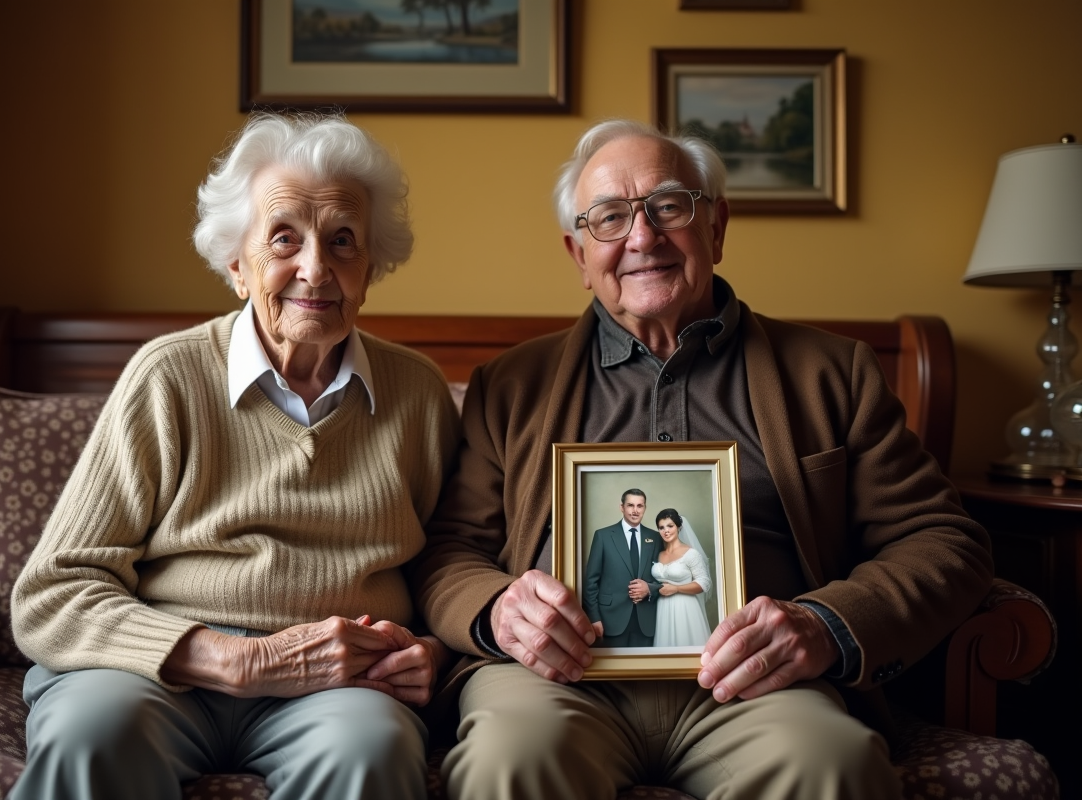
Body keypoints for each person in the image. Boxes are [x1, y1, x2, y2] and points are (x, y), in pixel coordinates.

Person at [409, 119, 993, 800]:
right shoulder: (508, 385)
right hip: (554, 683)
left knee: (831, 764)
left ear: (716, 227)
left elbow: (943, 540)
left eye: (669, 206)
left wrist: (825, 625)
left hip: (759, 686)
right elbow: (449, 549)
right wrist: (499, 609)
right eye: (609, 217)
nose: (642, 237)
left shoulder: (835, 373)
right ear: (578, 254)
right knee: (508, 761)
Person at [9, 112, 460, 800]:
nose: (317, 268)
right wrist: (241, 659)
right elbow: (52, 593)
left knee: (371, 752)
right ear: (236, 266)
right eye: (284, 238)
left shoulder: (418, 393)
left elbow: (451, 564)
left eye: (343, 240)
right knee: (92, 738)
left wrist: (433, 650)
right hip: (159, 670)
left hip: (339, 684)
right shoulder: (169, 376)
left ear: (370, 268)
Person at [582, 489, 662, 647]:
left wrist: (649, 588)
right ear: (622, 507)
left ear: (645, 508)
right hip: (609, 619)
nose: (635, 510)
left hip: (646, 620)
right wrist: (594, 618)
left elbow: (663, 578)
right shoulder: (603, 536)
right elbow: (591, 581)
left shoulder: (655, 538)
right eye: (630, 505)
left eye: (640, 506)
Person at [650, 508, 712, 648]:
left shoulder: (691, 553)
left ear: (679, 527)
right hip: (662, 608)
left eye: (670, 526)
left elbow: (704, 583)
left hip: (684, 608)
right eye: (661, 527)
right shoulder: (658, 554)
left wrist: (676, 588)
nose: (666, 531)